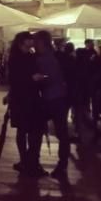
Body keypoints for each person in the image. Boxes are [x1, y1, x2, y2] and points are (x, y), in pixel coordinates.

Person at [34, 30, 71, 179]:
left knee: (57, 132)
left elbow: (52, 77)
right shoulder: (54, 56)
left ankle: (60, 165)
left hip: (54, 98)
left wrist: (39, 79)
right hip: (58, 97)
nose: (34, 45)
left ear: (42, 42)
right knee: (58, 132)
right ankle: (60, 165)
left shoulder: (47, 58)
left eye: (36, 42)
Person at [7, 31, 45, 177]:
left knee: (30, 129)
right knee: (23, 129)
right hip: (21, 99)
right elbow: (15, 79)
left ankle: (29, 160)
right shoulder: (15, 58)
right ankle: (25, 159)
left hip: (32, 98)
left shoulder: (31, 56)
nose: (32, 41)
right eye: (29, 39)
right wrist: (32, 78)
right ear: (22, 42)